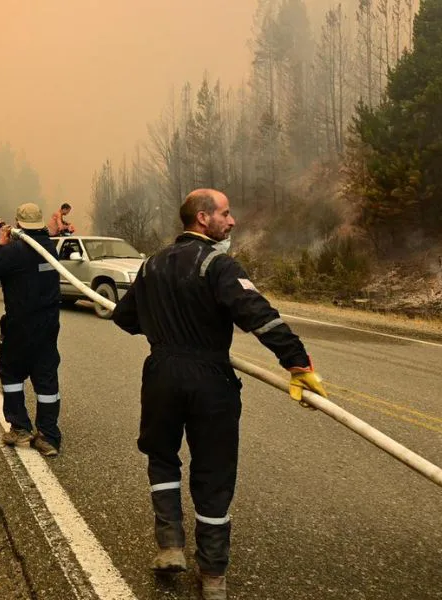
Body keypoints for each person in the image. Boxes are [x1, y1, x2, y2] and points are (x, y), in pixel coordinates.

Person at [111, 189, 328, 600]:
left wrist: (164, 330)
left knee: (162, 456)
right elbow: (258, 315)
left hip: (161, 375)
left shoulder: (151, 265)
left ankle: (171, 545)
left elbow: (125, 318)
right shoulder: (218, 264)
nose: (232, 222)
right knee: (213, 471)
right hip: (210, 379)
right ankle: (212, 576)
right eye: (225, 214)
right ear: (202, 218)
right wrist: (298, 364)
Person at [0, 203, 63, 457]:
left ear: (19, 224)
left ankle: (20, 428)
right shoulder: (49, 249)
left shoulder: (14, 251)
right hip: (48, 328)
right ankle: (48, 436)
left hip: (20, 328)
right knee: (46, 378)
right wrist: (3, 237)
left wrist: (0, 243)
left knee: (12, 374)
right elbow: (26, 260)